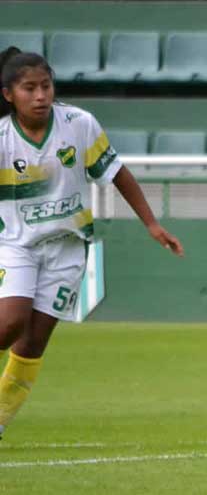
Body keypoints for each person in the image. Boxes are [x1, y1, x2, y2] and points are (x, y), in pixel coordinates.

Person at [0, 47, 184, 441]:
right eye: (29, 88)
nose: (40, 96)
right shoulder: (2, 139)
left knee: (32, 345)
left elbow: (117, 173)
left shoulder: (79, 123)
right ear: (8, 95)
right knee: (11, 321)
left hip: (67, 248)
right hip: (15, 243)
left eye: (46, 86)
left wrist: (151, 224)